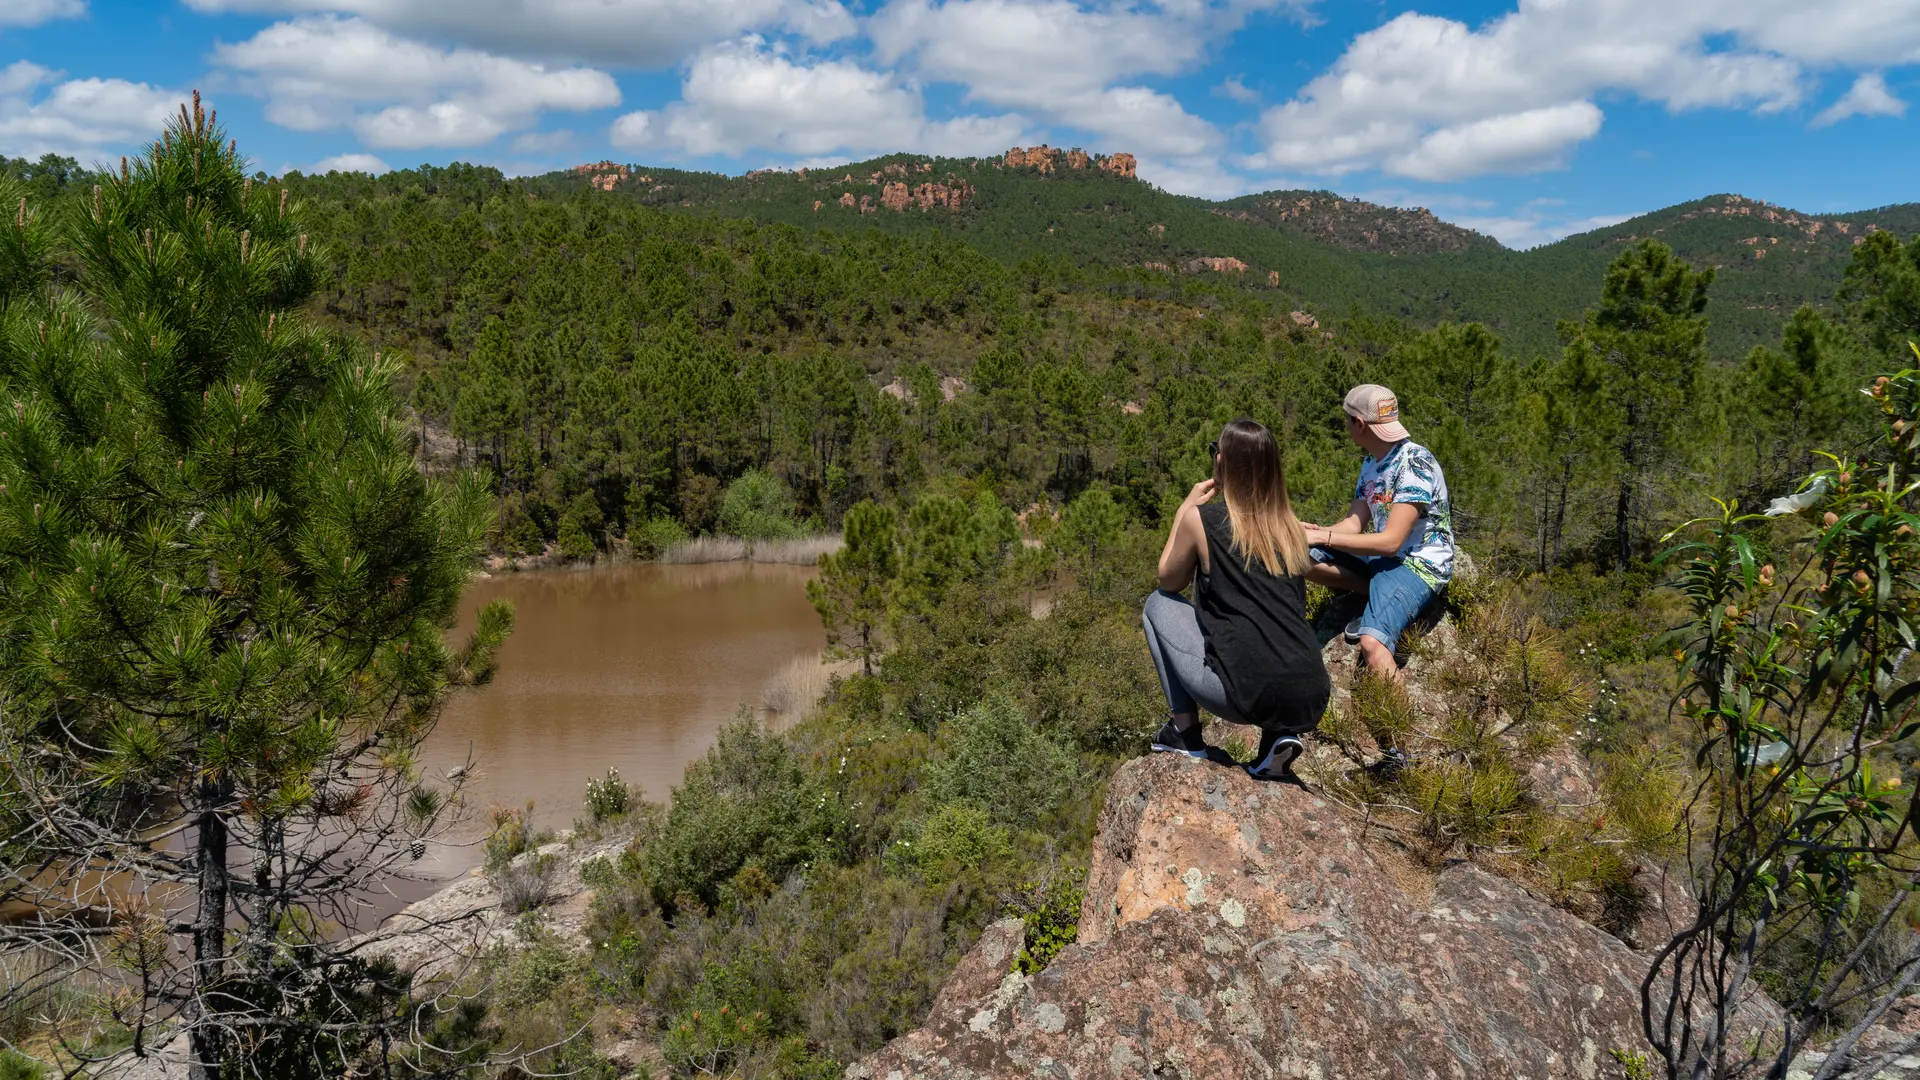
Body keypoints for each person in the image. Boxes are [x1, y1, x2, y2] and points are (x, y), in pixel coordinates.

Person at [1144, 418, 1331, 781]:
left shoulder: (1202, 519)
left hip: (1240, 694)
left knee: (1156, 604)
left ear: (1221, 462)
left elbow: (1168, 580)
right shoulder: (1290, 528)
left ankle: (1184, 733)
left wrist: (1184, 510)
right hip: (1310, 694)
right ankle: (1278, 737)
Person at [1302, 384, 1455, 682]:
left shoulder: (1414, 463)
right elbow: (1353, 524)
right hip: (1385, 559)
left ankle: (1403, 727)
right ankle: (1381, 596)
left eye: (1347, 420)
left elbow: (1391, 541)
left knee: (1372, 645)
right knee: (1296, 555)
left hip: (1417, 564)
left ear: (1359, 424)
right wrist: (1312, 532)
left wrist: (1324, 538)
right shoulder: (1372, 461)